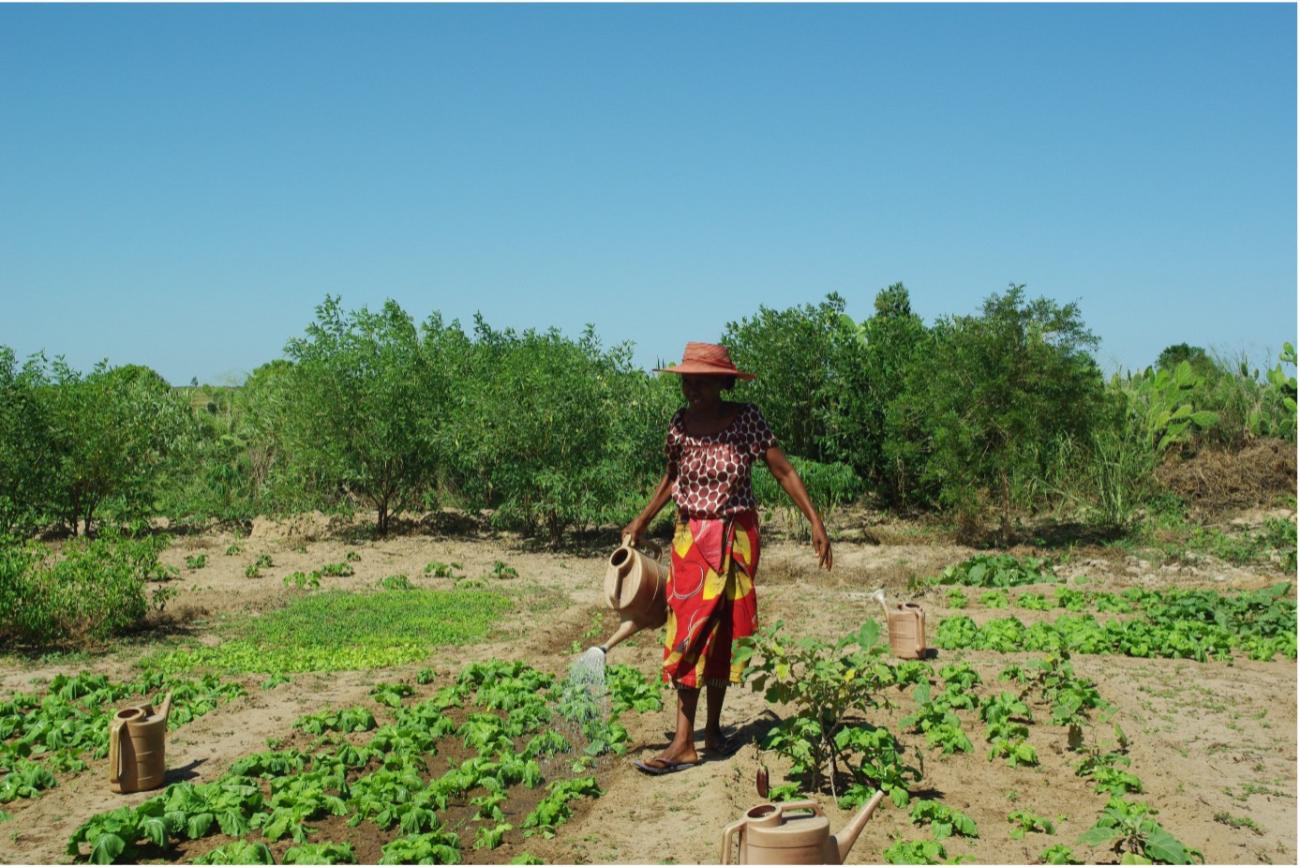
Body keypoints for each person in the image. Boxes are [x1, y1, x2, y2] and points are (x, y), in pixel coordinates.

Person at [622, 342, 832, 775]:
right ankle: (683, 742)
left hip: (736, 536)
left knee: (721, 635)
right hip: (690, 539)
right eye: (686, 379)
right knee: (687, 633)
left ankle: (711, 731)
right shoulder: (679, 425)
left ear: (722, 382)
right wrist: (640, 521)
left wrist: (815, 520)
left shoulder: (746, 419)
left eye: (699, 380)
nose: (690, 388)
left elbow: (784, 471)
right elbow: (671, 479)